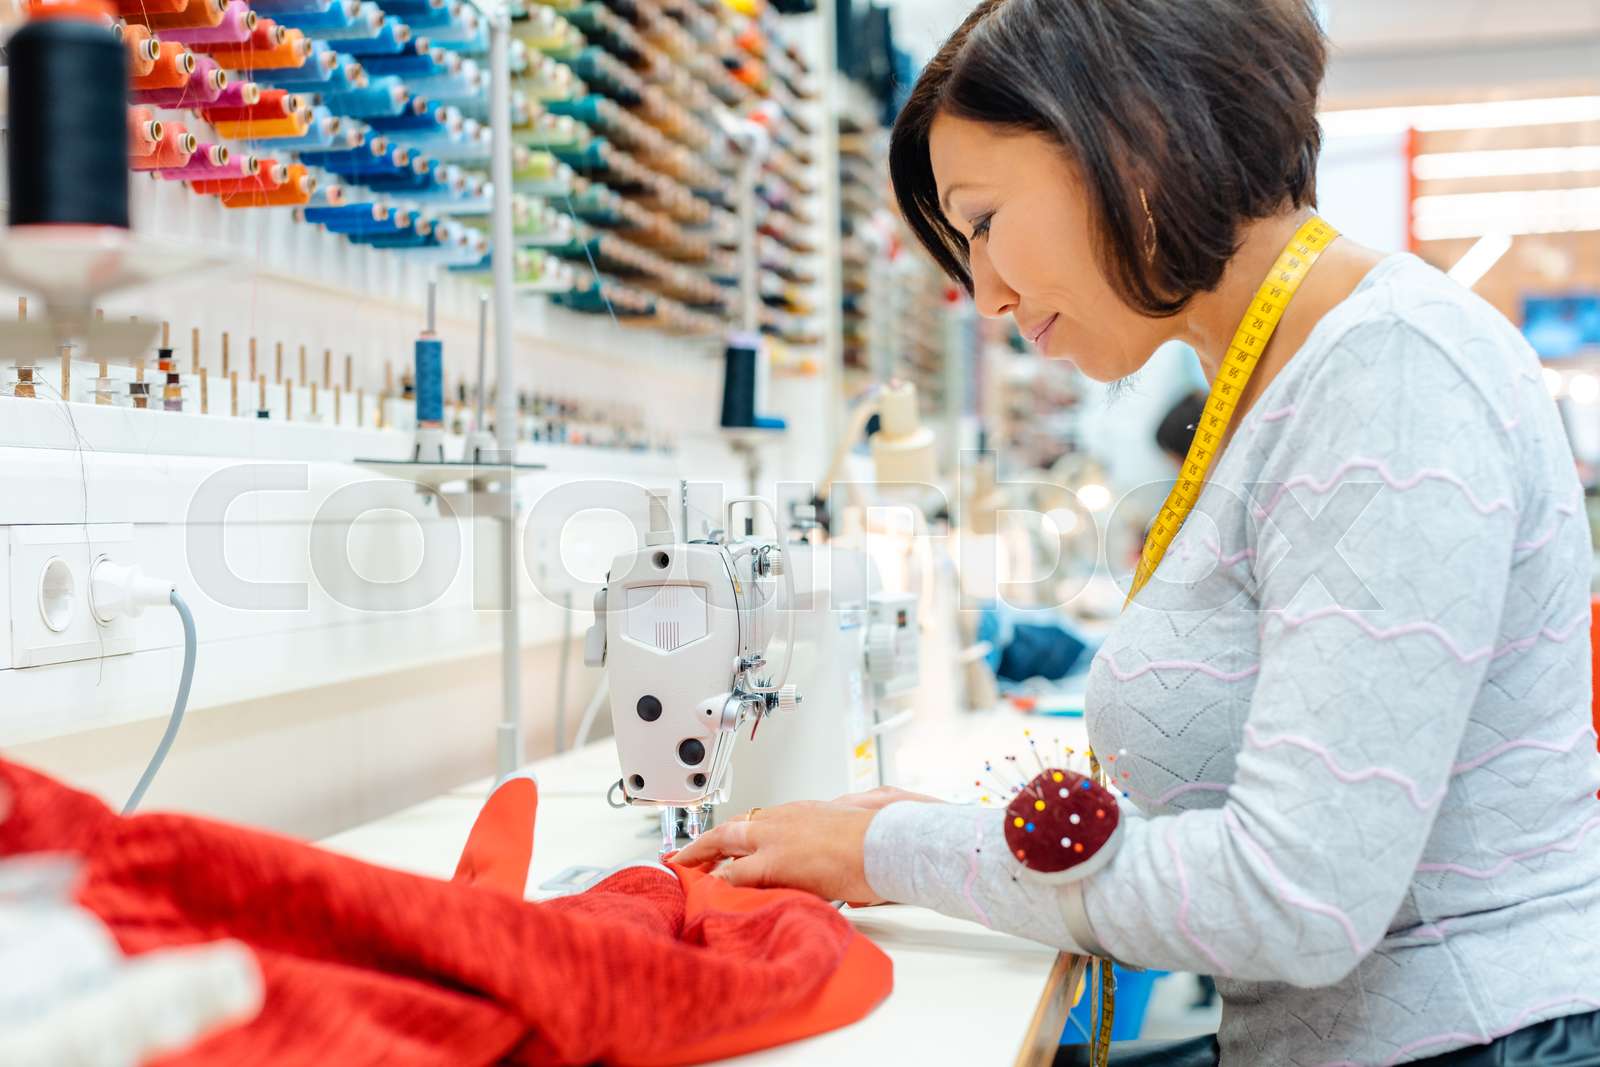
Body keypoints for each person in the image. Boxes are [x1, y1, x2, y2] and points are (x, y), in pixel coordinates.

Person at [677, 1, 1600, 1064]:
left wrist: (897, 848)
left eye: (984, 222)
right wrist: (933, 833)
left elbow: (1293, 896)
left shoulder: (1391, 372)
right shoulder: (1271, 384)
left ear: (1134, 141)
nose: (984, 294)